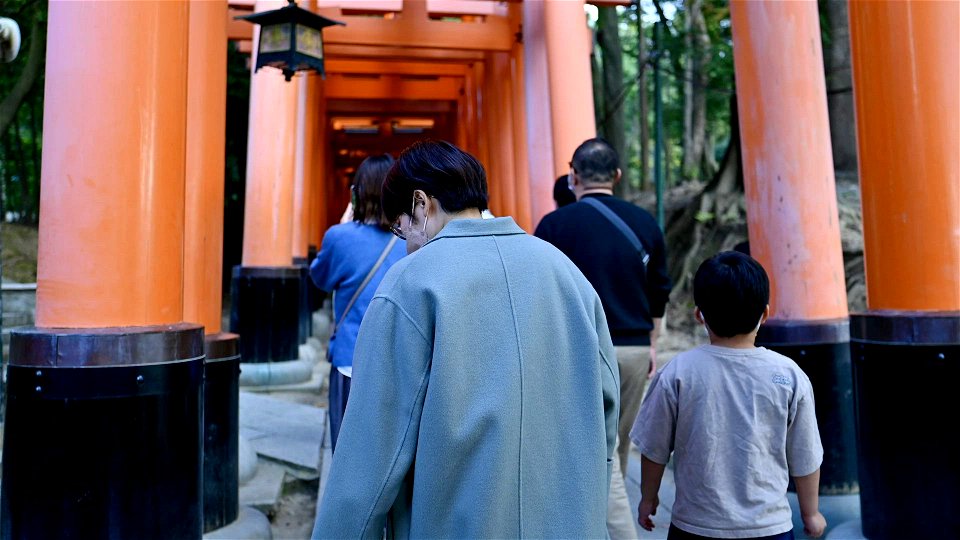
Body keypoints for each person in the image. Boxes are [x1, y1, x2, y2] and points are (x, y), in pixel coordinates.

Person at [312, 140, 619, 538]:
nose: (404, 241)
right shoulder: (566, 273)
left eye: (400, 225)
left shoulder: (410, 283)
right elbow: (606, 407)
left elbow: (370, 459)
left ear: (422, 204)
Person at [630, 251, 826, 539]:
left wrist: (648, 498)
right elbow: (806, 456)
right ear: (766, 314)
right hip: (769, 527)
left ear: (699, 315)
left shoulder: (678, 373)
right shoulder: (789, 376)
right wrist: (811, 513)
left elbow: (654, 449)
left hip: (694, 526)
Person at [534, 138, 672, 514]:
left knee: (587, 443)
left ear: (573, 176)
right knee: (619, 443)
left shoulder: (553, 226)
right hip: (633, 349)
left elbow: (542, 295)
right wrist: (653, 344)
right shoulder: (645, 223)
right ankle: (611, 512)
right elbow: (660, 290)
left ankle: (595, 518)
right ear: (617, 175)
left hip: (578, 349)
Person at [309, 154, 406, 452]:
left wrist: (343, 224)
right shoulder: (414, 239)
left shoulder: (339, 237)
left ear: (356, 194)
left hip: (351, 358)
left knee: (350, 452)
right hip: (402, 360)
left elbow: (320, 279)